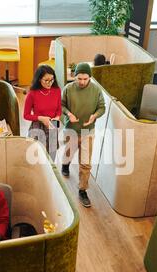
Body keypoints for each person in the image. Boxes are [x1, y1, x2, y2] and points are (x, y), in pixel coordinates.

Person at [61, 62, 105, 208]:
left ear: (90, 77)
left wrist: (94, 116)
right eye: (79, 78)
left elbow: (102, 107)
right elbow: (60, 105)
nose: (82, 82)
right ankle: (65, 164)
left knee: (85, 163)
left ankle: (82, 190)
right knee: (69, 152)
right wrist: (69, 113)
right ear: (74, 76)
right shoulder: (68, 89)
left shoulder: (96, 90)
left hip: (88, 131)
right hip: (71, 129)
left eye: (85, 79)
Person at [24, 64, 62, 160]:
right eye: (46, 80)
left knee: (51, 156)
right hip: (38, 126)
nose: (50, 83)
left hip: (52, 124)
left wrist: (57, 118)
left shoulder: (57, 90)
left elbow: (59, 109)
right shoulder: (32, 94)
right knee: (37, 157)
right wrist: (41, 118)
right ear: (39, 79)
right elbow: (26, 115)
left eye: (52, 79)